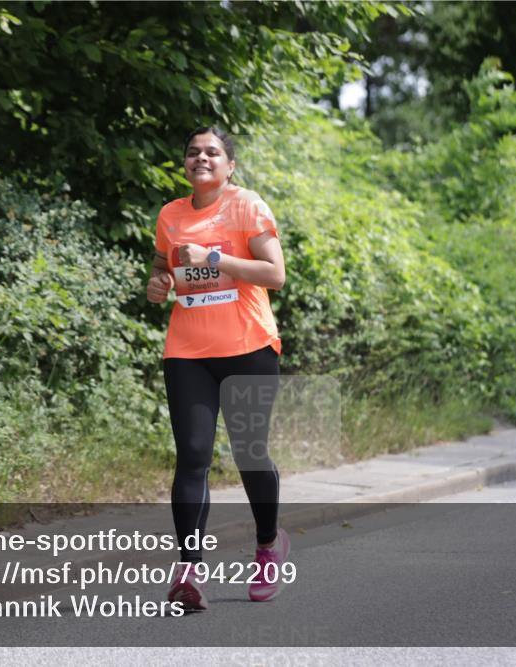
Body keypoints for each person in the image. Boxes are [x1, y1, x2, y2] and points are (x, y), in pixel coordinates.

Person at [146, 126, 290, 611]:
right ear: (185, 164)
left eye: (212, 152)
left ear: (229, 165)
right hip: (188, 350)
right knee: (191, 456)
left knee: (250, 453)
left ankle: (268, 546)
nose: (200, 158)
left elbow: (275, 274)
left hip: (248, 346)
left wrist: (215, 257)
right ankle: (188, 570)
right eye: (192, 152)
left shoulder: (247, 205)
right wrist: (158, 283)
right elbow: (161, 267)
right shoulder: (170, 215)